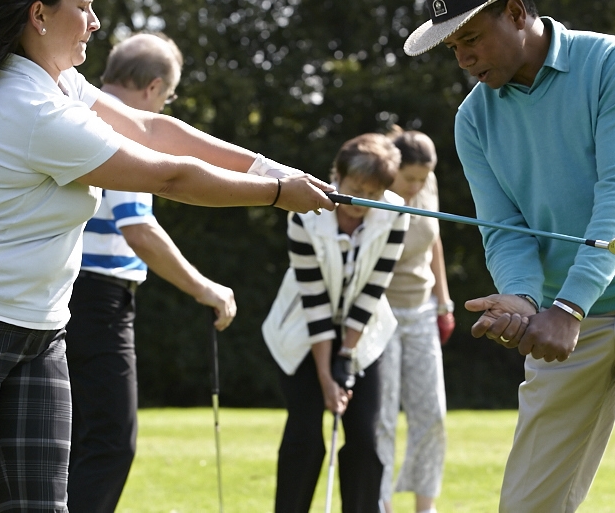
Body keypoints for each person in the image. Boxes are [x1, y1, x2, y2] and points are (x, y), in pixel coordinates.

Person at [0, 0, 335, 513]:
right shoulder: (32, 109)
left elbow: (153, 127)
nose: (96, 23)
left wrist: (271, 166)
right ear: (40, 15)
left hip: (37, 329)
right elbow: (168, 175)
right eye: (85, 7)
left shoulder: (63, 84)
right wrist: (276, 194)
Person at [403, 0, 615, 513]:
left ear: (517, 13)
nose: (464, 59)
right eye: (453, 48)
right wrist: (523, 299)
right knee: (527, 504)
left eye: (471, 38)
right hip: (565, 315)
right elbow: (504, 230)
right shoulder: (472, 120)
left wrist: (566, 307)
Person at [66, 32, 236, 512]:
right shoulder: (123, 129)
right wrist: (205, 289)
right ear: (155, 88)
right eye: (169, 97)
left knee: (71, 441)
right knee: (110, 442)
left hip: (61, 295)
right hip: (97, 302)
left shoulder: (78, 111)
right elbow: (138, 228)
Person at [262, 133, 410, 513]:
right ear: (337, 176)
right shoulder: (303, 211)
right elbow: (313, 299)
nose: (361, 202)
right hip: (300, 333)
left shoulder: (397, 214)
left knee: (364, 437)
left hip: (364, 336)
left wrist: (346, 354)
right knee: (306, 435)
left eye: (372, 194)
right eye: (355, 189)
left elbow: (374, 288)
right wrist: (327, 377)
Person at [374, 129, 453, 513]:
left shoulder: (427, 184)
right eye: (410, 179)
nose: (417, 187)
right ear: (392, 169)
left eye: (424, 179)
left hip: (422, 309)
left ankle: (426, 506)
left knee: (432, 413)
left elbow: (434, 238)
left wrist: (445, 302)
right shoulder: (372, 189)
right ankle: (381, 502)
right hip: (379, 312)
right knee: (383, 414)